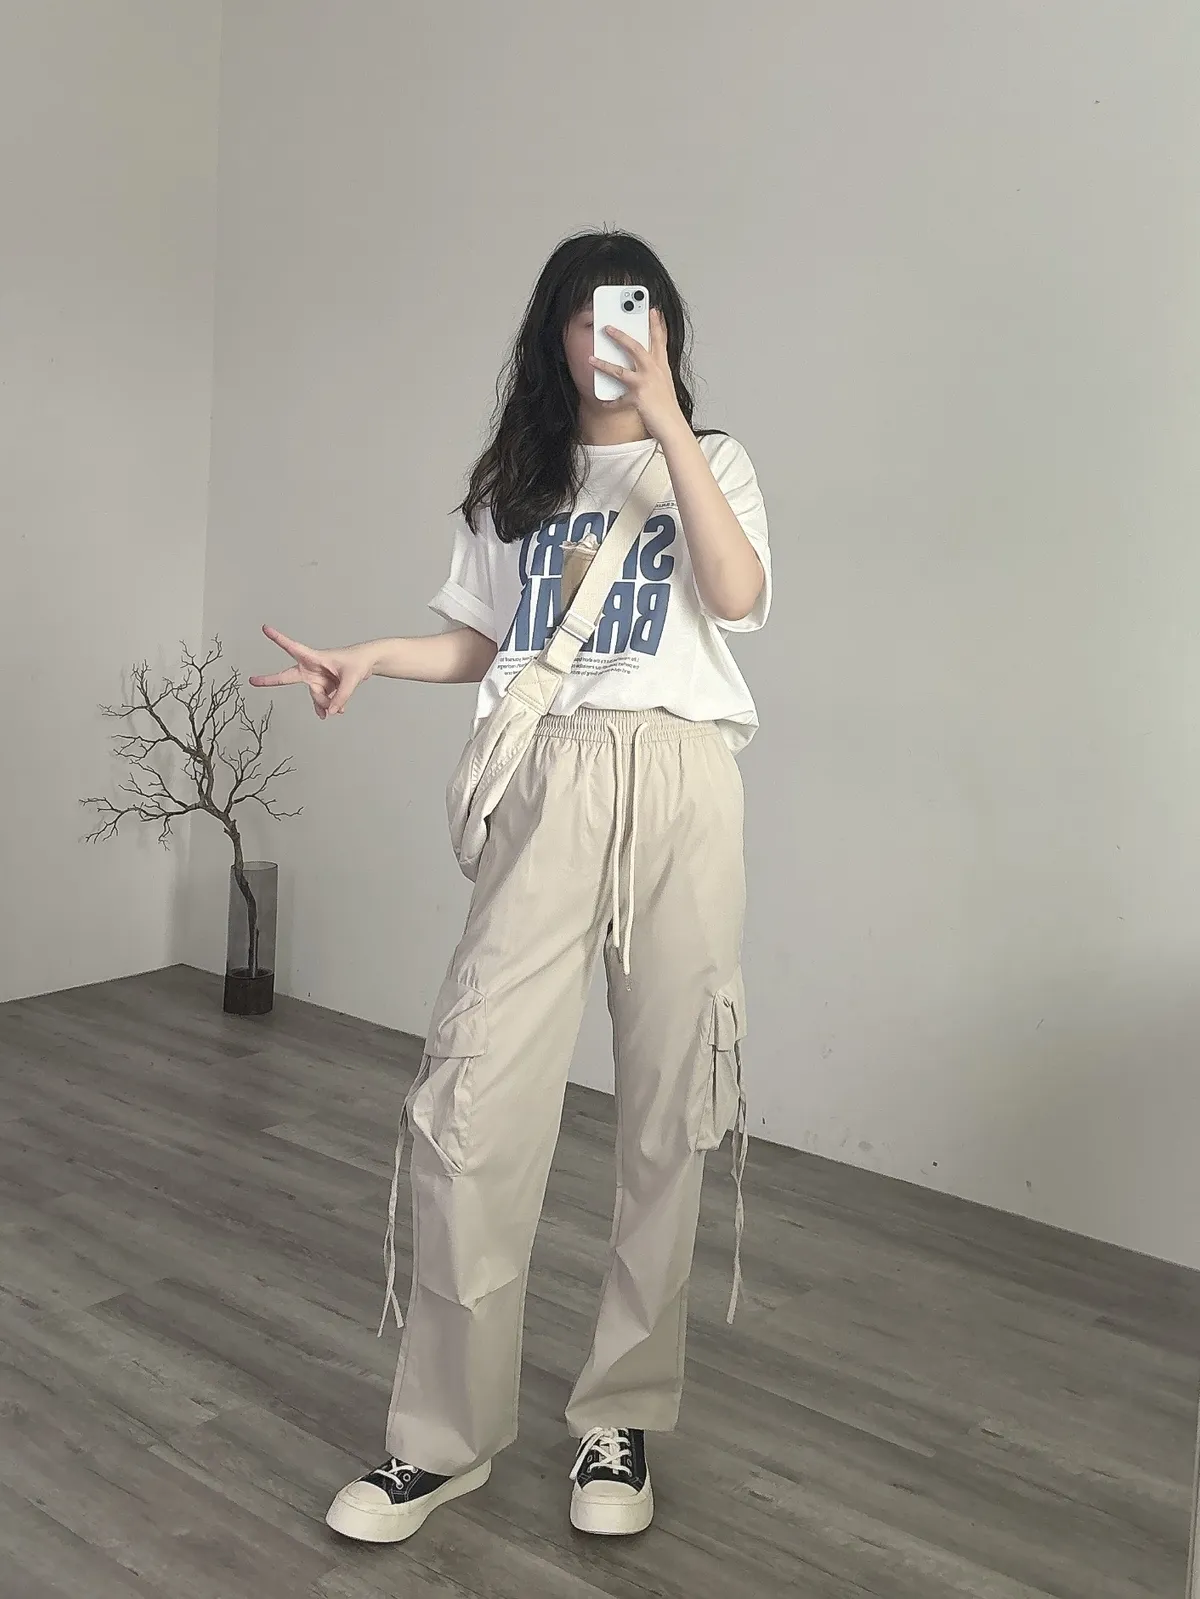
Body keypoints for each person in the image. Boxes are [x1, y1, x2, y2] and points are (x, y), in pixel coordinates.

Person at [250, 229, 771, 1543]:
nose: (610, 336)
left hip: (680, 777)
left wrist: (667, 423)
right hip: (550, 778)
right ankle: (442, 1439)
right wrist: (376, 657)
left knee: (669, 1115)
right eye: (585, 317)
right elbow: (489, 642)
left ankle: (620, 1417)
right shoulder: (517, 485)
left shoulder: (714, 463)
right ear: (553, 336)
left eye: (633, 313)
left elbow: (736, 594)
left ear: (665, 329)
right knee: (474, 1103)